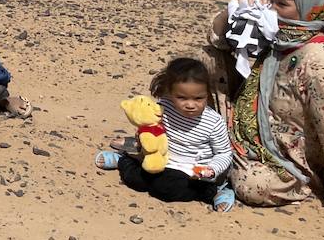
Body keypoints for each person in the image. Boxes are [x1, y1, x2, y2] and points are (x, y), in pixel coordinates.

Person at [203, 0, 324, 225]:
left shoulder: (319, 61)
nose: (271, 9)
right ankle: (220, 147)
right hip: (256, 119)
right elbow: (217, 41)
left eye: (281, 4)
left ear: (310, 9)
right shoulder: (280, 35)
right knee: (207, 59)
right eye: (270, 0)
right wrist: (232, 12)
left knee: (253, 186)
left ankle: (227, 159)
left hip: (288, 152)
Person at [95, 57, 233, 209]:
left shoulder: (213, 121)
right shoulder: (165, 107)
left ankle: (217, 191)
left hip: (195, 172)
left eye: (198, 98)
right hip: (163, 162)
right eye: (181, 98)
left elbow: (224, 153)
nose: (190, 105)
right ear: (170, 93)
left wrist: (212, 169)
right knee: (136, 179)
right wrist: (143, 134)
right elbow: (151, 125)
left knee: (168, 188)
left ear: (207, 93)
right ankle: (123, 159)